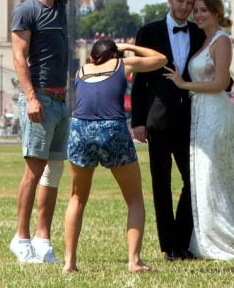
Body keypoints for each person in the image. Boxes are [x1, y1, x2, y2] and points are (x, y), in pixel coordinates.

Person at [9, 0, 121, 264]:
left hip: (60, 101)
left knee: (53, 171)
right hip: (40, 98)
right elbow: (18, 58)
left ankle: (43, 237)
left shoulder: (60, 4)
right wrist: (29, 97)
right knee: (33, 169)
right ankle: (21, 237)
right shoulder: (26, 11)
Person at [163, 0, 234, 260]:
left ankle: (224, 239)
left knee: (211, 176)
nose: (197, 14)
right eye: (195, 10)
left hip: (214, 113)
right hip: (202, 113)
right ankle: (207, 238)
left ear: (217, 12)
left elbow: (221, 83)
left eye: (202, 10)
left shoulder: (221, 41)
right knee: (204, 178)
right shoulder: (204, 39)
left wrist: (184, 84)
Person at [63, 40, 166, 273]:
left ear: (92, 58)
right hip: (113, 130)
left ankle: (69, 262)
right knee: (134, 199)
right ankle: (134, 261)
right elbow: (160, 59)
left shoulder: (81, 70)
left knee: (77, 198)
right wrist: (130, 46)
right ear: (115, 55)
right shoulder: (121, 64)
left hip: (80, 129)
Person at [130, 0, 205, 260]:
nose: (185, 8)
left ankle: (181, 240)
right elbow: (138, 81)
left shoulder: (199, 32)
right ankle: (170, 247)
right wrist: (137, 121)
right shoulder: (148, 32)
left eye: (189, 3)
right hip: (157, 120)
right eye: (180, 1)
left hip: (190, 119)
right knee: (161, 184)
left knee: (193, 181)